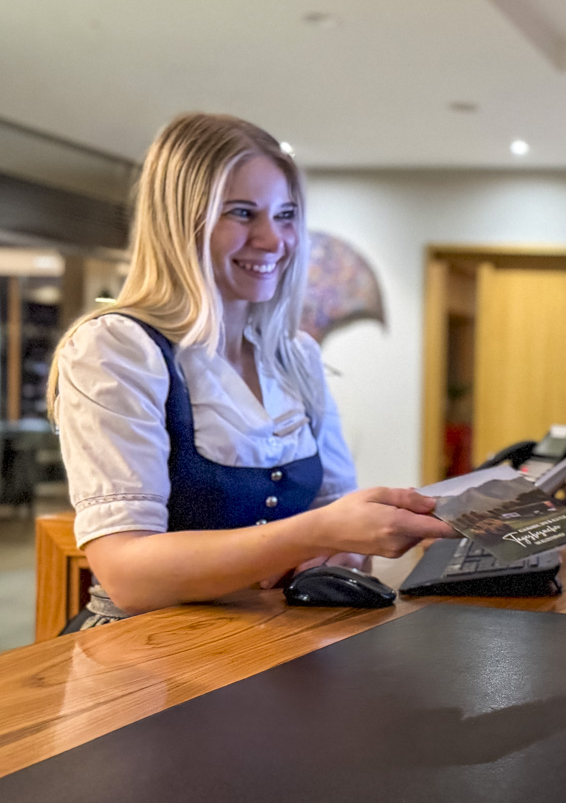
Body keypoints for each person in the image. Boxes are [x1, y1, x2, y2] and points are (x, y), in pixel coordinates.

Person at [49, 113, 455, 630]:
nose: (272, 239)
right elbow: (129, 576)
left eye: (285, 215)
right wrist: (315, 533)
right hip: (142, 654)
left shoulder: (297, 356)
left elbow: (340, 535)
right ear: (180, 222)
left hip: (267, 639)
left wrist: (344, 550)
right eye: (242, 213)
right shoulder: (118, 347)